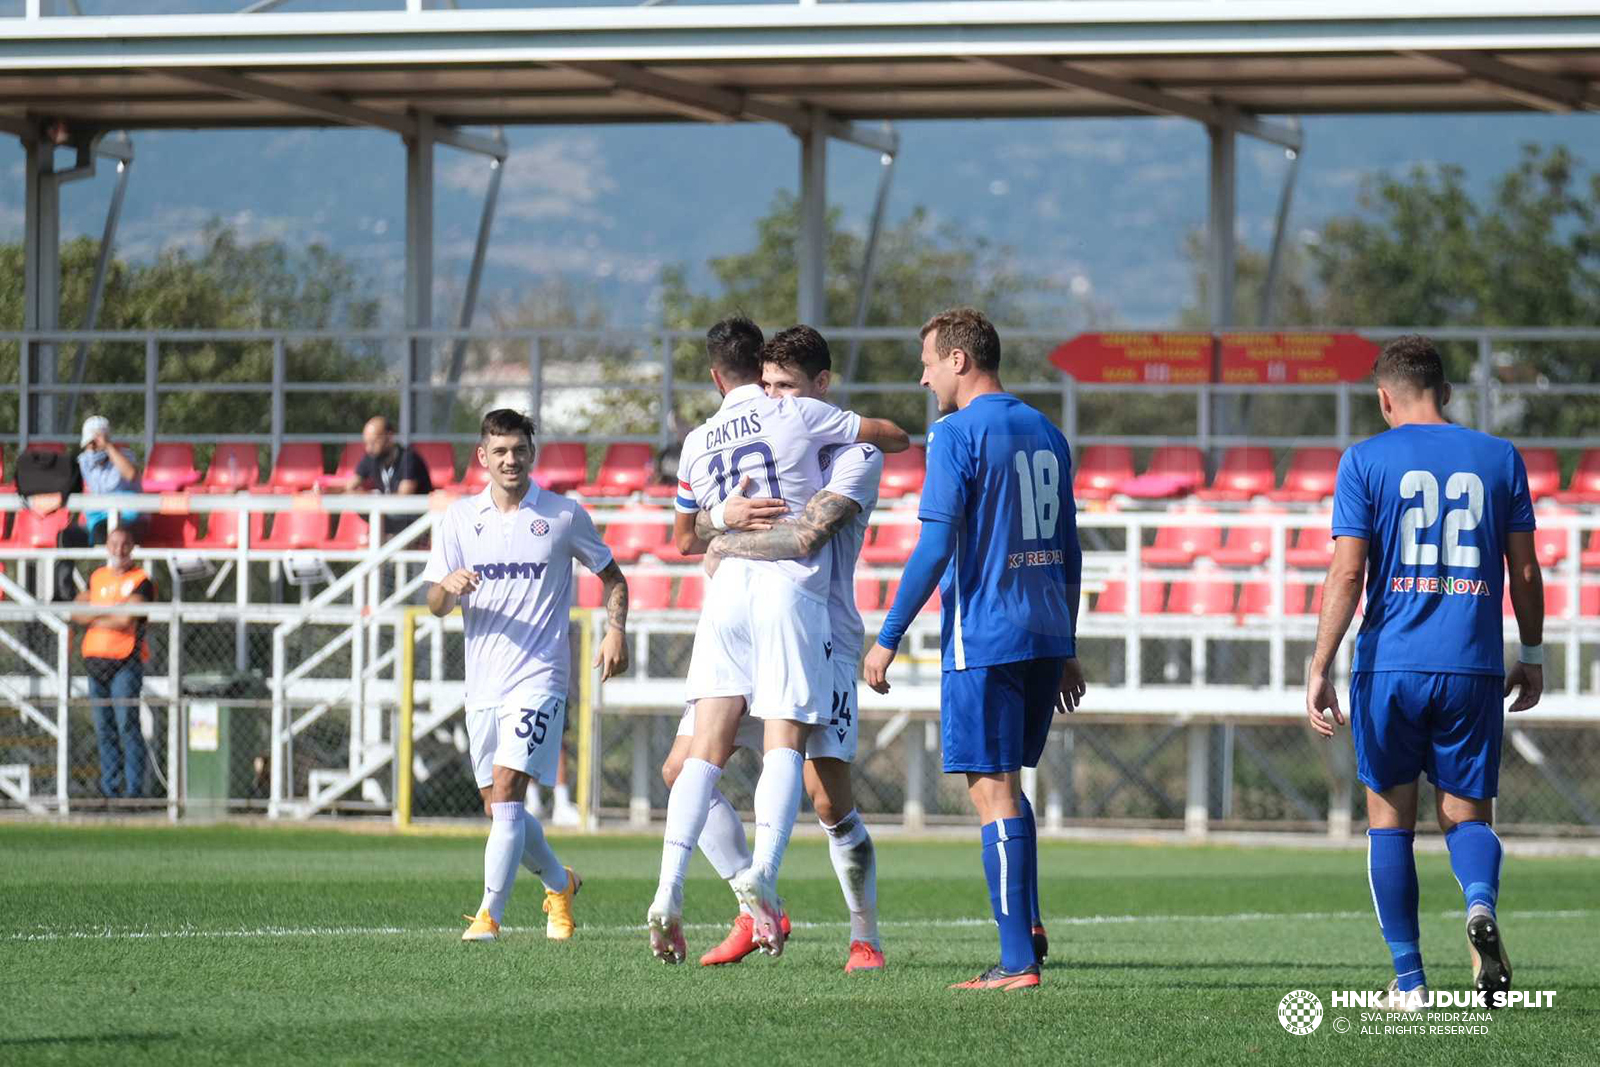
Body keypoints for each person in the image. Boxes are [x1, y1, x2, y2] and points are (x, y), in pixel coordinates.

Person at [646, 316, 909, 964]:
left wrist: (721, 536)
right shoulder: (775, 425)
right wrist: (717, 526)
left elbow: (803, 536)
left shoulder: (856, 453)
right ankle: (759, 903)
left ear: (822, 385)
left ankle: (864, 931)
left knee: (828, 797)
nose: (774, 398)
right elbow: (692, 533)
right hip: (756, 610)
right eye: (765, 384)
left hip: (825, 629)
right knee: (683, 766)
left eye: (787, 386)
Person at [1305, 334, 1540, 1011]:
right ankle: (1478, 903)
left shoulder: (1365, 459)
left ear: (1384, 396)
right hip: (1471, 666)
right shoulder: (1499, 457)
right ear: (1445, 390)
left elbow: (1349, 570)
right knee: (1467, 816)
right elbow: (1523, 569)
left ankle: (1410, 982)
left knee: (1390, 825)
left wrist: (1320, 665)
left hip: (1391, 665)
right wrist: (1534, 654)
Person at [864, 307, 1085, 992]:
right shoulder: (1047, 432)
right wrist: (1068, 643)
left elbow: (934, 545)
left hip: (986, 635)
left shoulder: (955, 432)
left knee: (990, 792)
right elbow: (1071, 551)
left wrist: (888, 636)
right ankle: (1030, 925)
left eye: (929, 361)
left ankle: (1016, 959)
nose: (923, 376)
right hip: (1044, 632)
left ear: (960, 359)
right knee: (1009, 788)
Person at [423, 408, 629, 943]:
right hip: (483, 683)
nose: (510, 460)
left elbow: (613, 576)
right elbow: (434, 605)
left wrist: (615, 631)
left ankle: (489, 916)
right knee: (499, 807)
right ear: (482, 457)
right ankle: (560, 884)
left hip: (540, 677)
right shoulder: (459, 519)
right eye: (500, 451)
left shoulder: (562, 516)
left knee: (511, 792)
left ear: (531, 453)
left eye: (519, 450)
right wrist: (446, 584)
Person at [71, 527, 155, 800]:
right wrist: (112, 609)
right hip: (95, 660)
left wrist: (96, 612)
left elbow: (126, 619)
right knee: (103, 728)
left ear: (133, 547)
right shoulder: (97, 577)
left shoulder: (141, 579)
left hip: (125, 661)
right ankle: (109, 789)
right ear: (107, 546)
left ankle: (133, 792)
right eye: (114, 544)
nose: (119, 550)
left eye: (125, 544)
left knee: (127, 726)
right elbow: (76, 612)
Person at [328, 416, 433, 538]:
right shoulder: (371, 457)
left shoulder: (408, 459)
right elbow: (349, 486)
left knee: (381, 509)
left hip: (413, 521)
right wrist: (324, 492)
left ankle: (387, 540)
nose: (368, 448)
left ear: (389, 436)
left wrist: (369, 497)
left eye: (373, 442)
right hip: (387, 516)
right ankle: (383, 540)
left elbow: (403, 499)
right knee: (359, 504)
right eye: (366, 443)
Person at [75, 415, 143, 544]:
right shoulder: (84, 461)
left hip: (127, 518)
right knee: (66, 537)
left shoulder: (124, 456)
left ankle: (109, 564)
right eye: (89, 444)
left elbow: (131, 474)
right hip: (96, 520)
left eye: (95, 443)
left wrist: (107, 446)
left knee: (104, 533)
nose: (92, 448)